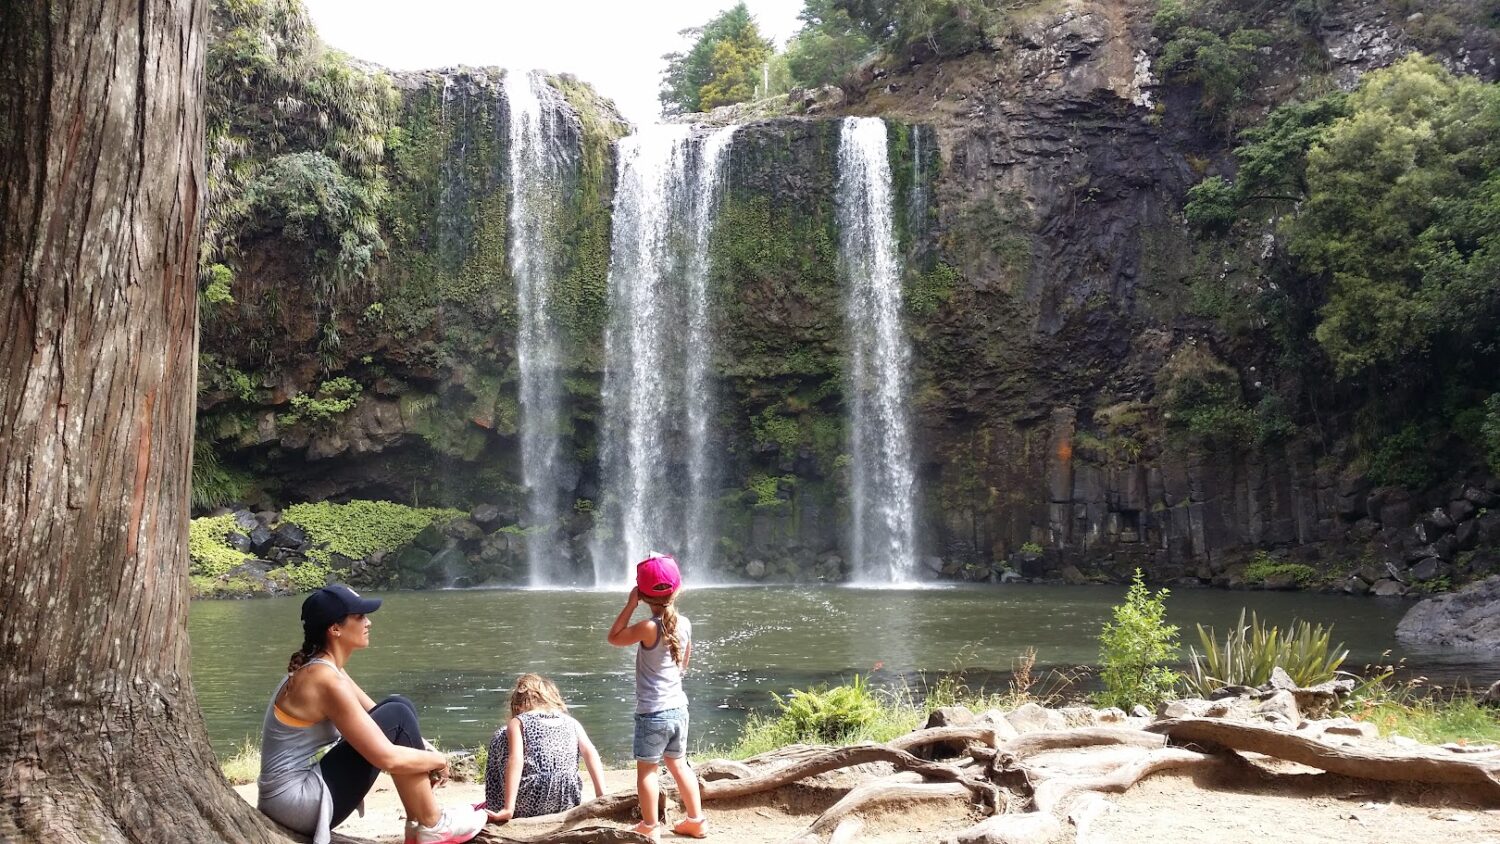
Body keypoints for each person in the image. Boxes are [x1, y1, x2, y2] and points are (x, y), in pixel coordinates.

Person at [256, 584, 487, 844]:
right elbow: (388, 758)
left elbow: (376, 713)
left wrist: (423, 748)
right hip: (295, 804)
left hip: (287, 799)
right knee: (398, 711)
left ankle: (421, 824)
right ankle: (431, 823)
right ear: (335, 629)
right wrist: (440, 761)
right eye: (360, 617)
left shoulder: (325, 668)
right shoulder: (324, 680)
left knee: (398, 706)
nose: (369, 623)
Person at [606, 553, 708, 841]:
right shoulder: (685, 624)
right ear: (677, 591)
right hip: (679, 708)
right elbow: (683, 663)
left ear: (643, 594)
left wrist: (629, 604)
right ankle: (696, 819)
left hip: (653, 713)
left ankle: (650, 826)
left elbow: (614, 637)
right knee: (679, 764)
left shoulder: (649, 627)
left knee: (647, 771)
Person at [482, 673, 606, 821]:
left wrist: (509, 808)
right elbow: (590, 753)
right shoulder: (572, 722)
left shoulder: (519, 722)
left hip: (529, 800)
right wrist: (601, 796)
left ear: (519, 704)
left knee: (500, 737)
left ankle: (498, 806)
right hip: (567, 798)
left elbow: (516, 759)